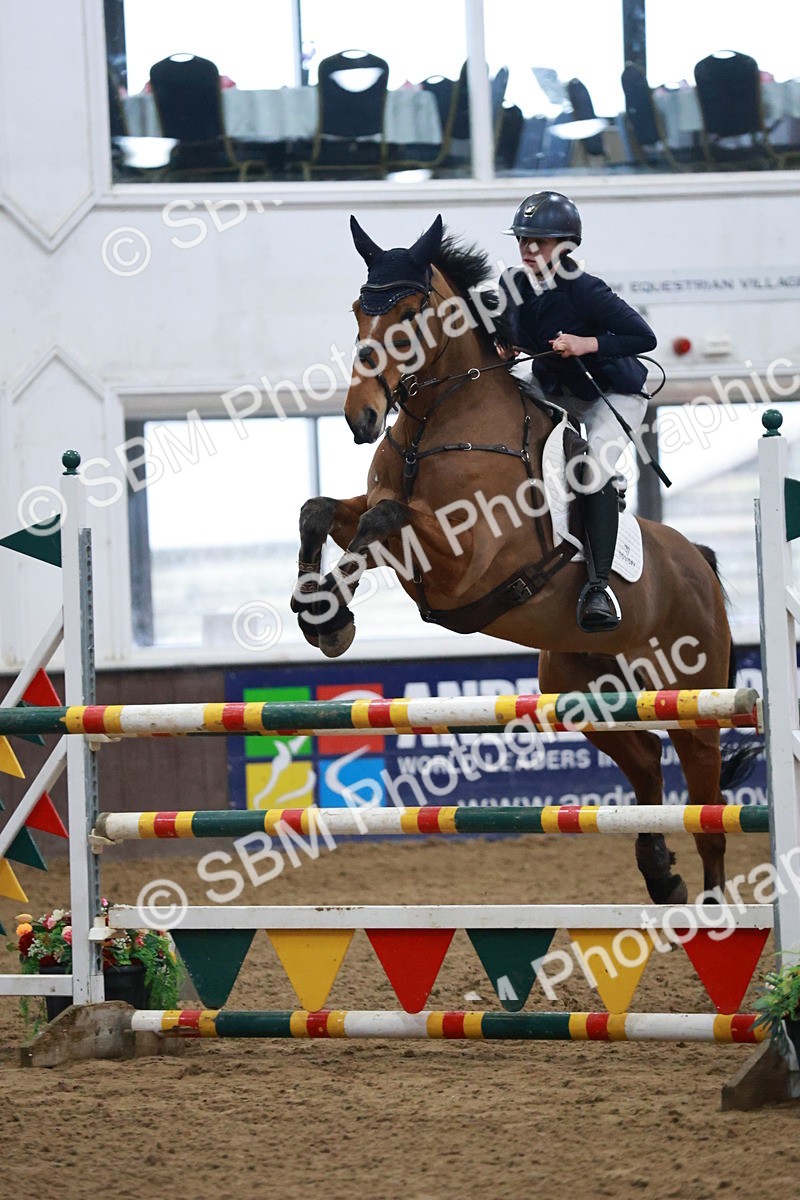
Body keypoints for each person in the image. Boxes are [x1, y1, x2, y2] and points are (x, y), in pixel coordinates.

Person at [495, 190, 657, 633]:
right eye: (523, 240)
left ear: (565, 245)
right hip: (555, 387)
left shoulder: (586, 289)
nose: (528, 250)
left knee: (592, 471)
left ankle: (599, 586)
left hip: (610, 392)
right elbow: (507, 331)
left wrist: (586, 344)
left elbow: (644, 338)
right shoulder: (511, 283)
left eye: (539, 242)